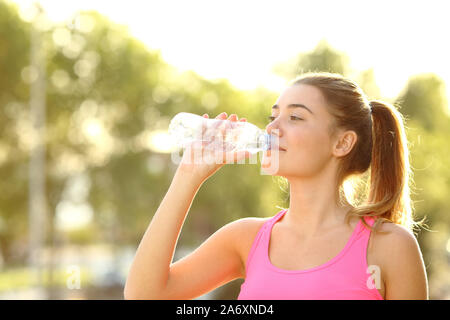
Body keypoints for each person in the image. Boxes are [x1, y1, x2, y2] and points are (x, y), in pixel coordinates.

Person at [124, 72, 429, 300]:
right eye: (273, 116)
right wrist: (188, 176)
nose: (272, 128)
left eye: (295, 117)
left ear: (342, 142)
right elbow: (144, 294)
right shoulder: (246, 238)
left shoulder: (389, 246)